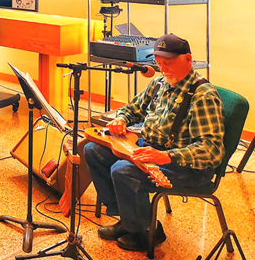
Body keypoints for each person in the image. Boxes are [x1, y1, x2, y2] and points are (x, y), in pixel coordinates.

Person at [83, 34, 224, 252]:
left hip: (187, 165)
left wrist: (166, 156)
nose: (163, 68)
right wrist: (121, 119)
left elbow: (211, 150)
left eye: (168, 63)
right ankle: (128, 219)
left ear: (188, 59)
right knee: (94, 151)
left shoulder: (202, 95)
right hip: (151, 146)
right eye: (159, 63)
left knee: (123, 171)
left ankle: (145, 231)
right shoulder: (159, 83)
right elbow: (132, 109)